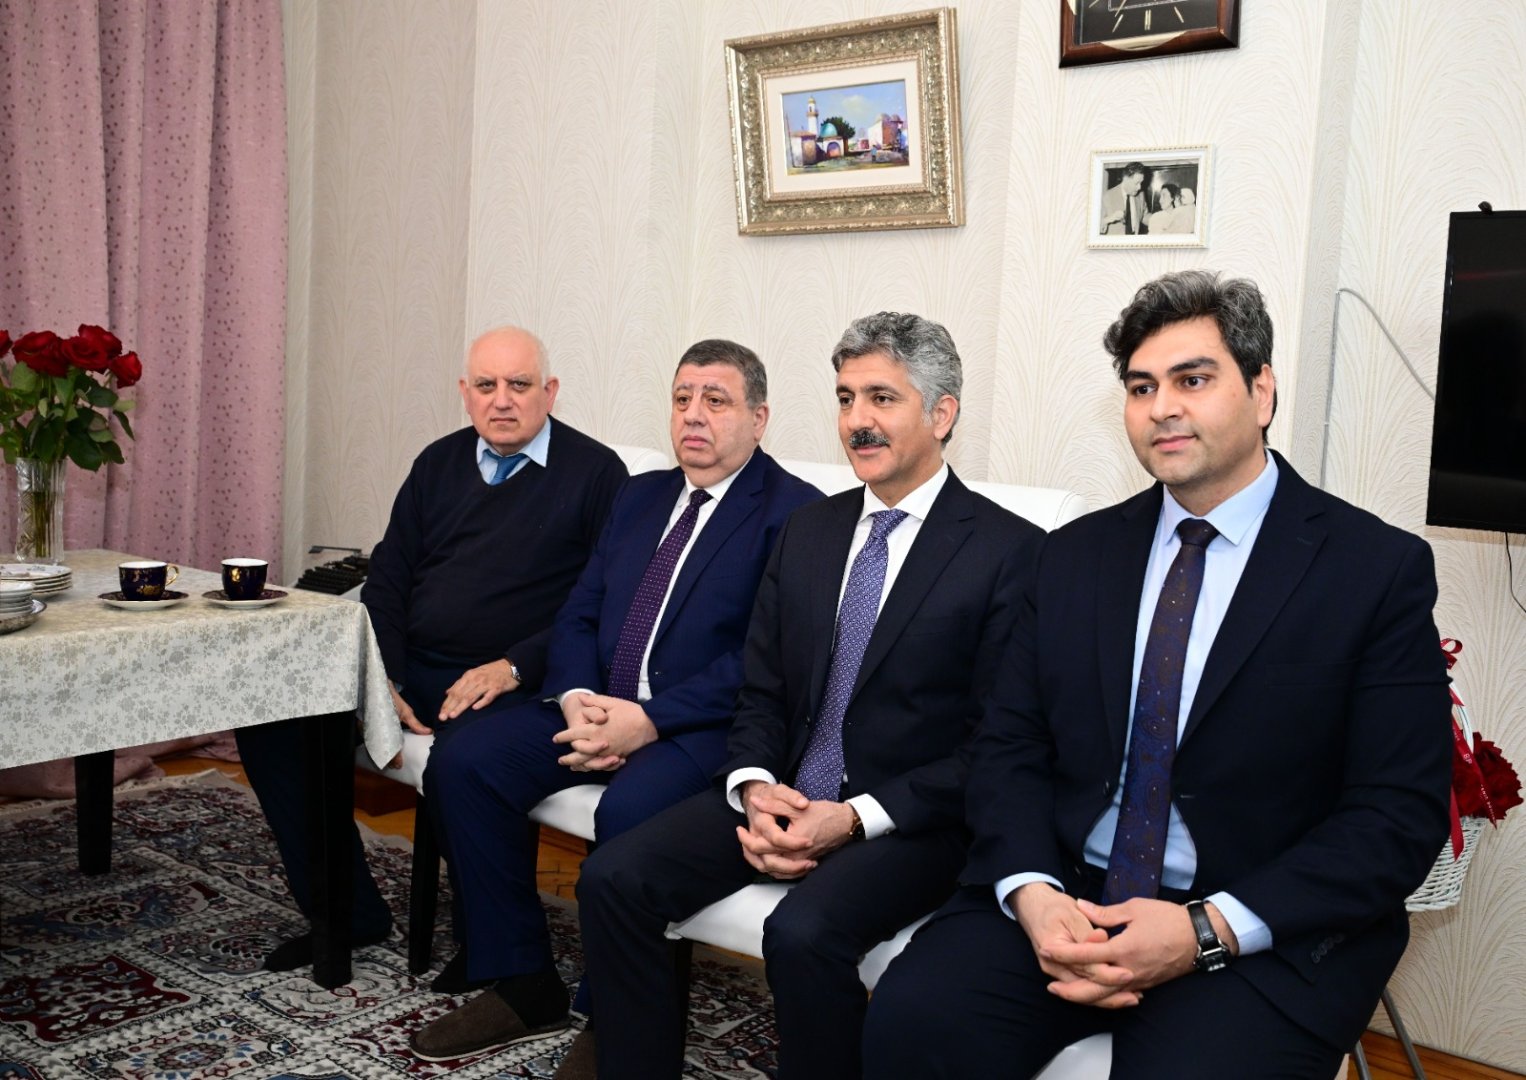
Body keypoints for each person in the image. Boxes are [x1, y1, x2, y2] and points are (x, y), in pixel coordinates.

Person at [863, 271, 1454, 1079]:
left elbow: (1397, 814)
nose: (1162, 408)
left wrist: (1204, 929)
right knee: (912, 1022)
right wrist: (1034, 894)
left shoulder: (1372, 570)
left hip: (1259, 924)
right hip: (1068, 894)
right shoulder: (1071, 557)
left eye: (1193, 380)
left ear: (1262, 391)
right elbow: (1009, 747)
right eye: (1142, 387)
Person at [559, 312, 1044, 1080]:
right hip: (783, 792)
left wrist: (850, 819)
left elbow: (995, 745)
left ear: (941, 413)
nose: (857, 421)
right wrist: (754, 787)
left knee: (803, 933)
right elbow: (763, 688)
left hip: (909, 818)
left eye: (882, 398)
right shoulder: (810, 529)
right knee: (613, 879)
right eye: (846, 398)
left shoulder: (1010, 551)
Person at [405, 340, 822, 1061]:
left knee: (631, 811)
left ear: (759, 419)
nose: (694, 415)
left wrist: (648, 721)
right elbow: (580, 611)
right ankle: (522, 979)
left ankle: (612, 1016)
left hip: (699, 727)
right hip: (595, 707)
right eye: (682, 398)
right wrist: (574, 696)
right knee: (464, 761)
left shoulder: (795, 513)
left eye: (715, 401)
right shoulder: (641, 495)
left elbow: (768, 658)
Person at [236, 326, 627, 974]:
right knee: (274, 719)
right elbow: (388, 579)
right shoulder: (436, 463)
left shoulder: (597, 475)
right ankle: (347, 912)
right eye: (486, 385)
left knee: (466, 761)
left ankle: (486, 939)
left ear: (550, 391)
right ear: (465, 393)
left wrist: (514, 666)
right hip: (413, 665)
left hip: (510, 680)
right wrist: (383, 675)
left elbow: (603, 603)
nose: (502, 400)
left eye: (519, 384)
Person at [1101, 162, 1150, 235]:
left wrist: (1161, 219)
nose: (1139, 187)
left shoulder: (1140, 195)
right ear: (1125, 179)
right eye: (1136, 183)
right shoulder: (1108, 196)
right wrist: (1110, 218)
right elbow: (1096, 226)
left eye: (1141, 183)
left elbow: (1143, 216)